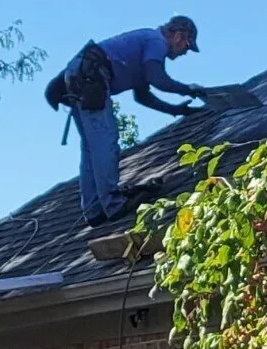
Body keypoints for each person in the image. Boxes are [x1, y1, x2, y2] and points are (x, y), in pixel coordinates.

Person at [45, 16, 205, 226]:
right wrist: (189, 89)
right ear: (178, 35)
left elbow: (143, 97)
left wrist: (176, 110)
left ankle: (94, 209)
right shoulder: (156, 42)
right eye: (187, 45)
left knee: (92, 147)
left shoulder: (146, 46)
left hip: (79, 75)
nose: (185, 51)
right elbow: (158, 79)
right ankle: (112, 203)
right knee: (105, 140)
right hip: (90, 76)